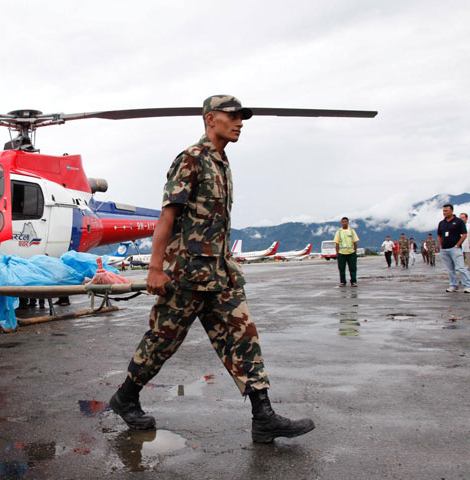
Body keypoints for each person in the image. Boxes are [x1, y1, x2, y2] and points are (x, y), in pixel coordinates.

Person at [107, 96, 314, 443]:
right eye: (232, 116)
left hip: (219, 275)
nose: (239, 122)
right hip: (186, 275)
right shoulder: (191, 158)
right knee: (162, 342)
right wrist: (155, 268)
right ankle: (126, 397)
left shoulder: (222, 164)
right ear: (210, 118)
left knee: (244, 338)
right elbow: (167, 215)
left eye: (241, 117)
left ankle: (263, 416)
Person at [437, 204, 470, 292]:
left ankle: (467, 285)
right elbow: (439, 235)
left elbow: (464, 234)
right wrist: (440, 246)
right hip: (444, 249)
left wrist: (458, 245)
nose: (444, 212)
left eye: (446, 211)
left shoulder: (458, 221)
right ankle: (453, 285)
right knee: (450, 269)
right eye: (443, 211)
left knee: (461, 268)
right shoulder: (441, 223)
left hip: (455, 248)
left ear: (451, 211)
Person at [334, 217, 360, 287]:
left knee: (353, 268)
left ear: (348, 222)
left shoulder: (352, 231)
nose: (344, 223)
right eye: (343, 222)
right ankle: (342, 281)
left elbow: (355, 242)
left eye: (346, 221)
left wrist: (354, 252)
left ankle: (353, 281)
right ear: (341, 223)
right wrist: (337, 253)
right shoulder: (338, 232)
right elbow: (337, 243)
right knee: (341, 268)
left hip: (351, 253)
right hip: (341, 253)